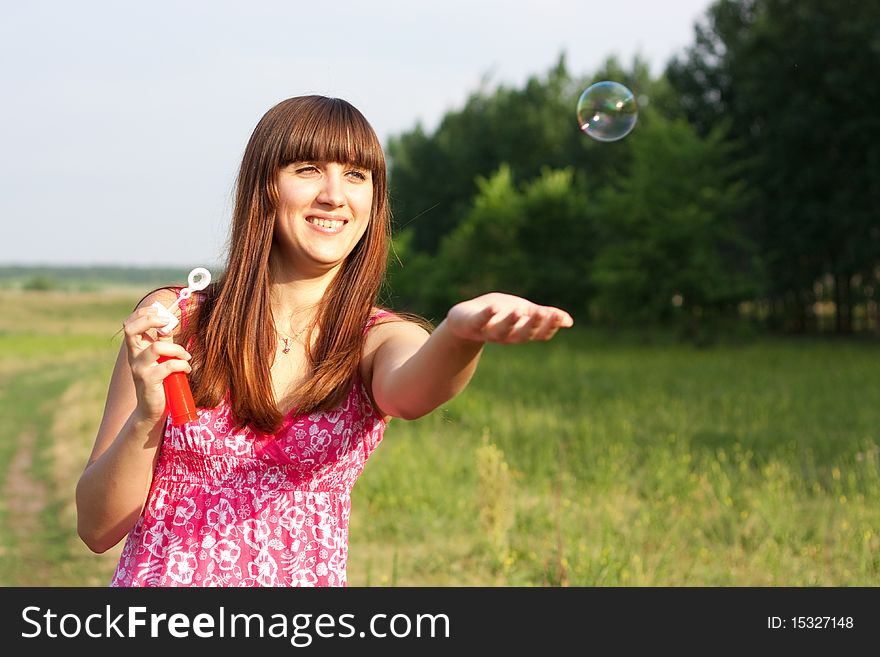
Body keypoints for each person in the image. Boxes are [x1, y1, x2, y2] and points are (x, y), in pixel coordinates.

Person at [75, 95, 573, 587]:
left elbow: (414, 391)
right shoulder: (178, 320)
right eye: (308, 168)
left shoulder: (376, 338)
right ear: (264, 186)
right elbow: (98, 529)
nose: (335, 195)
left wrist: (461, 333)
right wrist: (147, 415)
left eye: (356, 175)